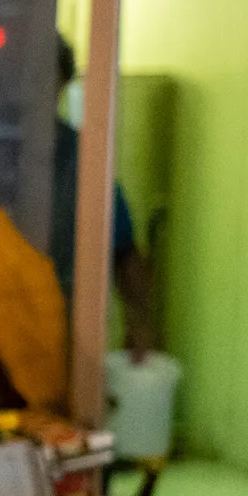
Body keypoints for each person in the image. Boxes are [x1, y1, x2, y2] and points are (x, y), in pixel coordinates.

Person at [50, 36, 159, 360]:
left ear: (64, 83)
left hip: (63, 338)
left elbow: (124, 251)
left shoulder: (84, 162)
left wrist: (140, 324)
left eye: (48, 75)